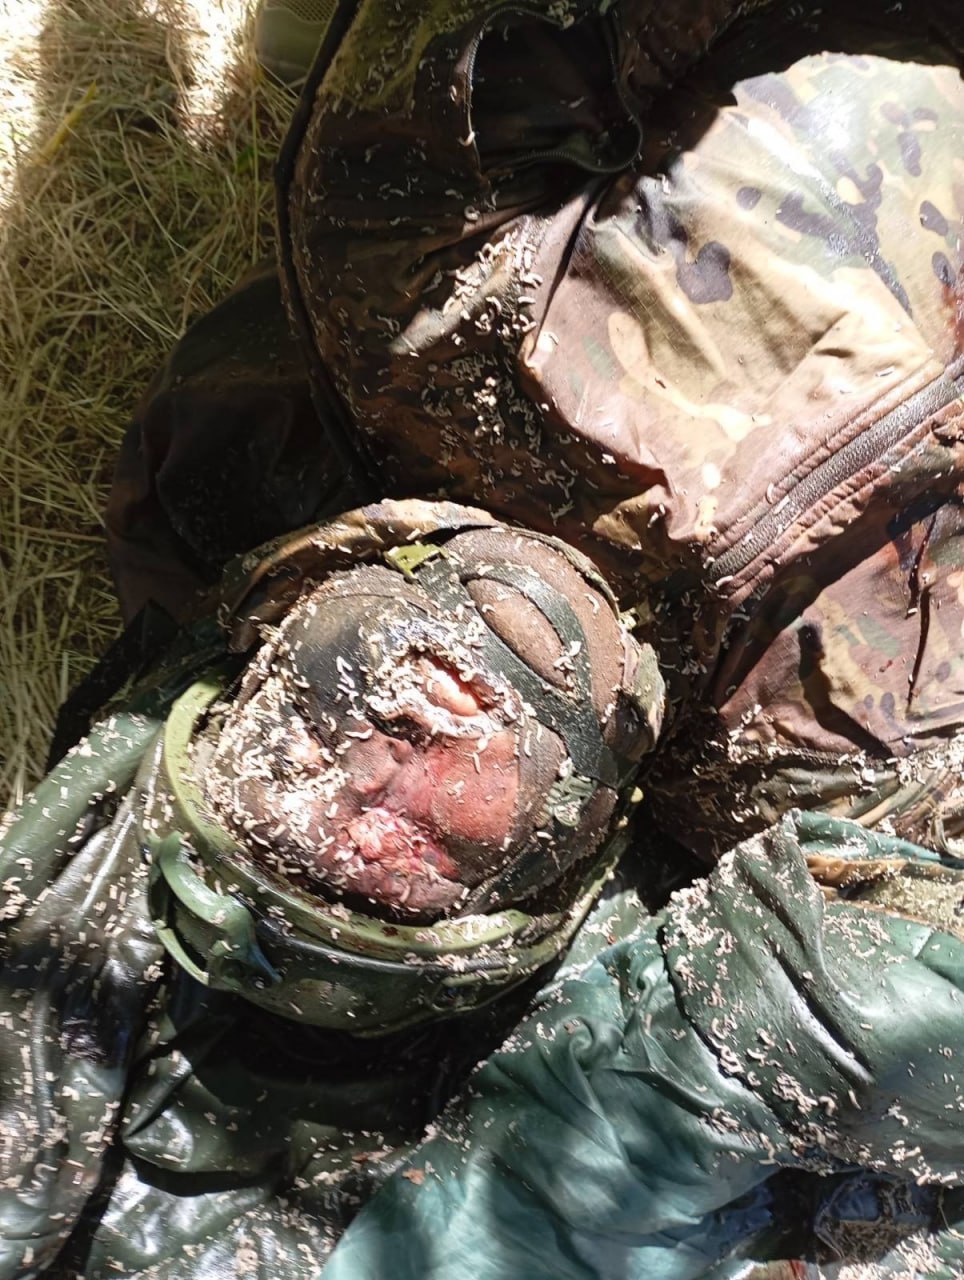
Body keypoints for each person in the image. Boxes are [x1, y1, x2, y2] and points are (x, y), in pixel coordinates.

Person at [3, 0, 964, 1275]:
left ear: (282, 620)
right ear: (577, 861)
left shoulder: (422, 305)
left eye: (294, 769)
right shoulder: (832, 789)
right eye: (402, 875)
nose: (398, 745)